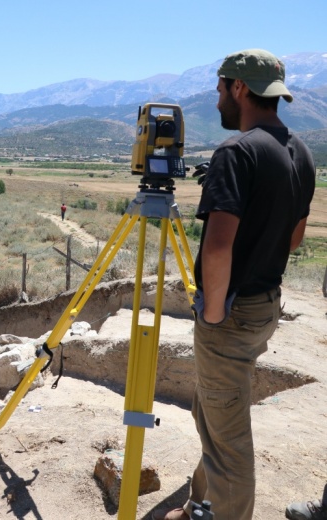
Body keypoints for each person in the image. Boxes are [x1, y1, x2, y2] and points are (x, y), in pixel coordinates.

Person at [154, 49, 315, 520]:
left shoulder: (236, 152)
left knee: (229, 443)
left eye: (220, 86)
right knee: (214, 415)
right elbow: (296, 236)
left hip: (233, 312)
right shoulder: (299, 150)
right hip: (265, 305)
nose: (217, 96)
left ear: (239, 88)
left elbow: (218, 248)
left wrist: (216, 310)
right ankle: (200, 506)